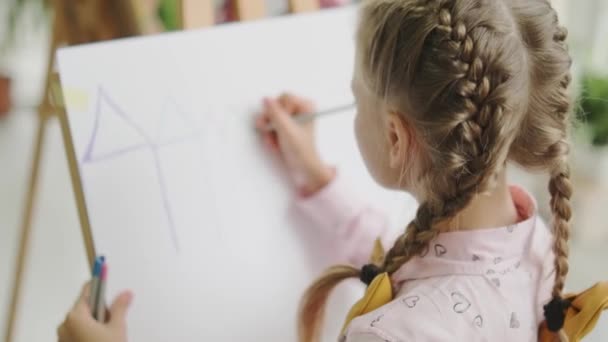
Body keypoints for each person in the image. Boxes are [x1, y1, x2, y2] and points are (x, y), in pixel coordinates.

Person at [58, 0, 574, 341]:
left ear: (395, 137)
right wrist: (316, 178)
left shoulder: (392, 334)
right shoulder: (534, 246)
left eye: (356, 99)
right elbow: (410, 262)